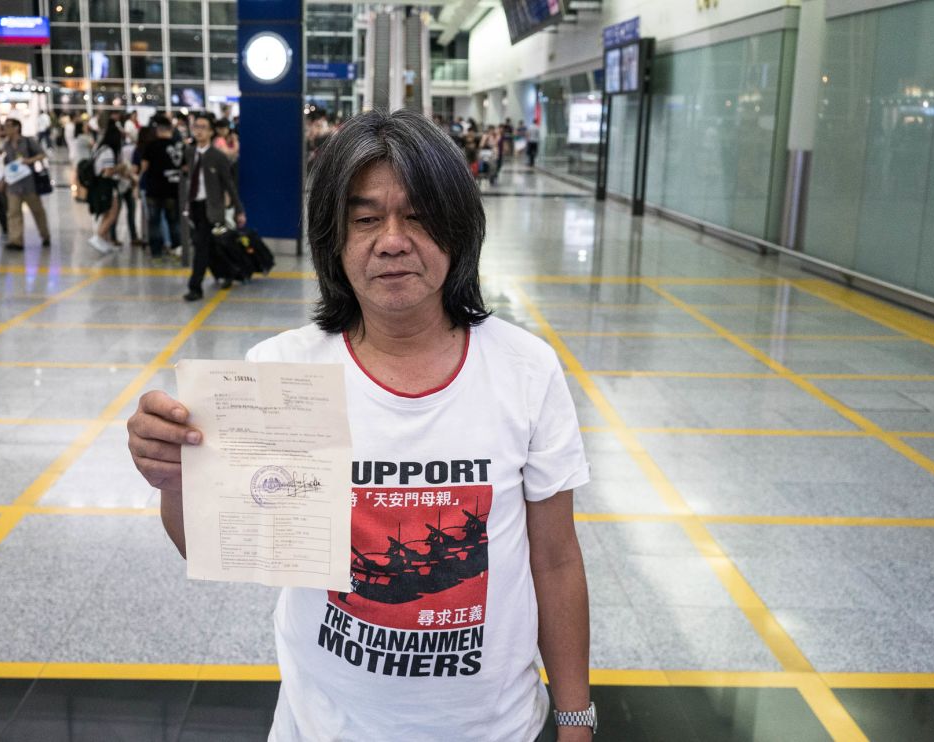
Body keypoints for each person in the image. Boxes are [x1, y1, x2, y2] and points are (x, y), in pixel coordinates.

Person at [126, 109, 594, 741]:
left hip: (492, 728)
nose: (392, 240)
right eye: (366, 219)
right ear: (333, 239)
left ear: (459, 230)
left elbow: (556, 560)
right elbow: (209, 542)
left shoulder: (526, 369)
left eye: (419, 216)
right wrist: (178, 481)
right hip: (323, 726)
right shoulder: (281, 372)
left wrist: (574, 716)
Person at [181, 112, 246, 299]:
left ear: (211, 132)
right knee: (208, 246)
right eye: (196, 127)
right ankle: (229, 272)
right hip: (194, 206)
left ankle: (195, 287)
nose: (198, 131)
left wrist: (238, 209)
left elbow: (229, 184)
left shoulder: (218, 156)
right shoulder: (190, 152)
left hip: (212, 208)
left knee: (201, 246)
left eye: (203, 127)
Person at [140, 114, 185, 264]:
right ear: (170, 130)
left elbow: (144, 167)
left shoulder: (151, 146)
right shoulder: (179, 146)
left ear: (158, 130)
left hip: (154, 189)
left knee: (154, 222)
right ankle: (177, 249)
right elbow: (185, 167)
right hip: (173, 189)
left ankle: (156, 253)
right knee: (174, 221)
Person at [1, 118, 51, 251]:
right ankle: (16, 240)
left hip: (30, 183)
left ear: (17, 128)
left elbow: (42, 155)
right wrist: (3, 180)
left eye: (8, 126)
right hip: (13, 184)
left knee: (37, 211)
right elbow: (7, 163)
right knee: (13, 213)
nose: (6, 129)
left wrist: (30, 160)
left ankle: (45, 235)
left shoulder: (28, 141)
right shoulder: (6, 144)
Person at [87, 121, 122, 254]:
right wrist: (120, 168)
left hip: (99, 185)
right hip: (106, 185)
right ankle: (98, 237)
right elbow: (108, 171)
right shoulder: (108, 152)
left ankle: (104, 241)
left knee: (107, 213)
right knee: (113, 213)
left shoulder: (99, 148)